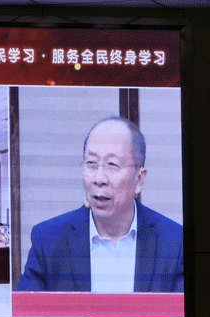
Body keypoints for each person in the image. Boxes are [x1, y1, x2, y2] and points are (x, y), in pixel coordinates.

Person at [16, 116, 183, 293]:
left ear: (139, 179)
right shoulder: (48, 241)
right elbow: (26, 310)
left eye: (112, 165)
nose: (99, 178)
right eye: (91, 163)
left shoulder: (175, 243)